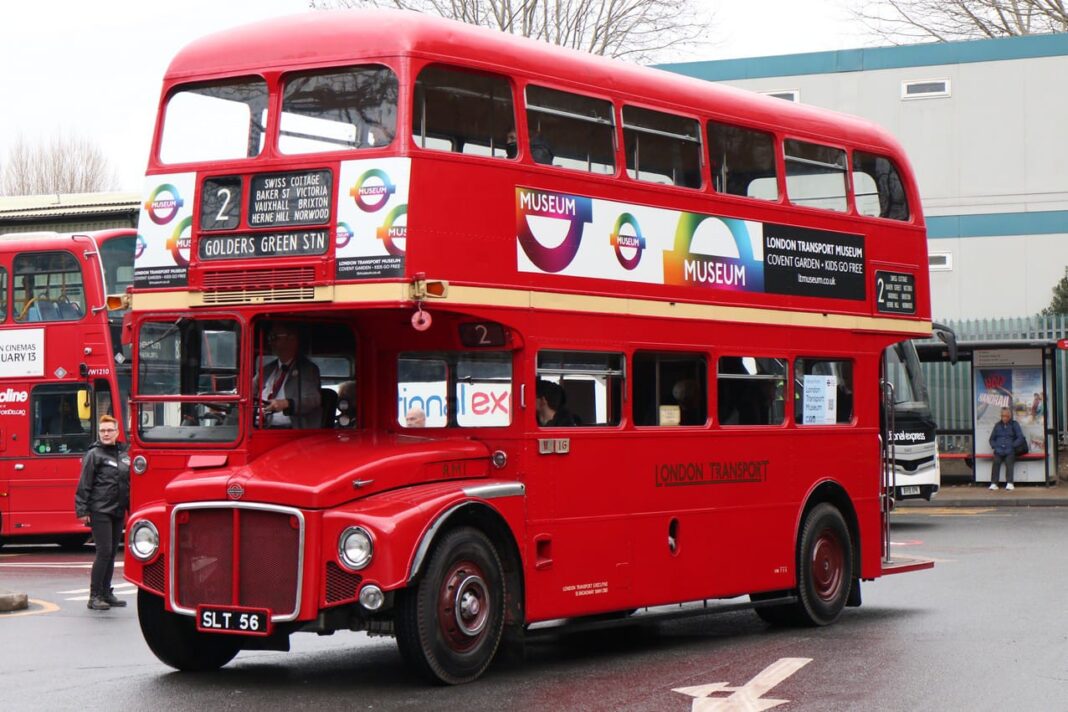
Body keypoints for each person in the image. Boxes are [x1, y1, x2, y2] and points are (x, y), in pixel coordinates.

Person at [74, 415, 130, 611]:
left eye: (109, 430)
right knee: (104, 552)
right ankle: (94, 596)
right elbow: (84, 484)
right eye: (102, 431)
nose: (106, 434)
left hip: (118, 510)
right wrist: (82, 510)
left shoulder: (124, 454)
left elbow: (128, 484)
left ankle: (106, 592)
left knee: (112, 553)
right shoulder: (94, 454)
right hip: (100, 510)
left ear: (117, 432)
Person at [258, 323, 322, 429]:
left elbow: (313, 399)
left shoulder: (307, 369)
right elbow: (250, 390)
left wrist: (286, 404)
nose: (270, 342)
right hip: (262, 427)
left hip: (291, 430)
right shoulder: (267, 369)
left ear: (292, 339)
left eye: (274, 337)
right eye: (269, 338)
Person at [989, 406, 1025, 491]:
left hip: (1010, 449)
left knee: (1009, 461)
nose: (1004, 418)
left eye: (1006, 416)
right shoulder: (997, 425)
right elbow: (991, 439)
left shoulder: (1014, 424)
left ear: (1009, 416)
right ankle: (994, 483)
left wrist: (1013, 446)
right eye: (1003, 416)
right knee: (996, 462)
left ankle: (1009, 483)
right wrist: (995, 446)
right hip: (999, 449)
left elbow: (1020, 437)